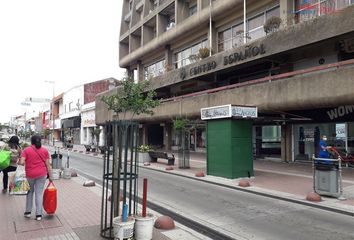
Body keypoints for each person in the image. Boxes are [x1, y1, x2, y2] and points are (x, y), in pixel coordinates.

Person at [19, 135, 53, 221]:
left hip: (30, 175)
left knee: (30, 193)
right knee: (39, 194)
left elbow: (22, 162)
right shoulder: (45, 151)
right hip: (42, 174)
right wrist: (51, 176)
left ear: (31, 141)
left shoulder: (26, 150)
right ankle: (38, 215)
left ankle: (28, 212)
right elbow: (48, 165)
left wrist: (20, 159)